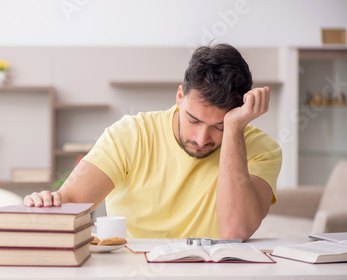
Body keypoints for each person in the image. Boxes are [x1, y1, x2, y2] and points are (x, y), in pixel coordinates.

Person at [24, 44, 282, 241]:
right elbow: (72, 202)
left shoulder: (262, 150)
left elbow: (235, 231)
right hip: (132, 272)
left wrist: (235, 130)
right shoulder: (130, 134)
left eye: (219, 126)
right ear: (180, 97)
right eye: (193, 120)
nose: (201, 139)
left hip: (213, 278)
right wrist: (47, 203)